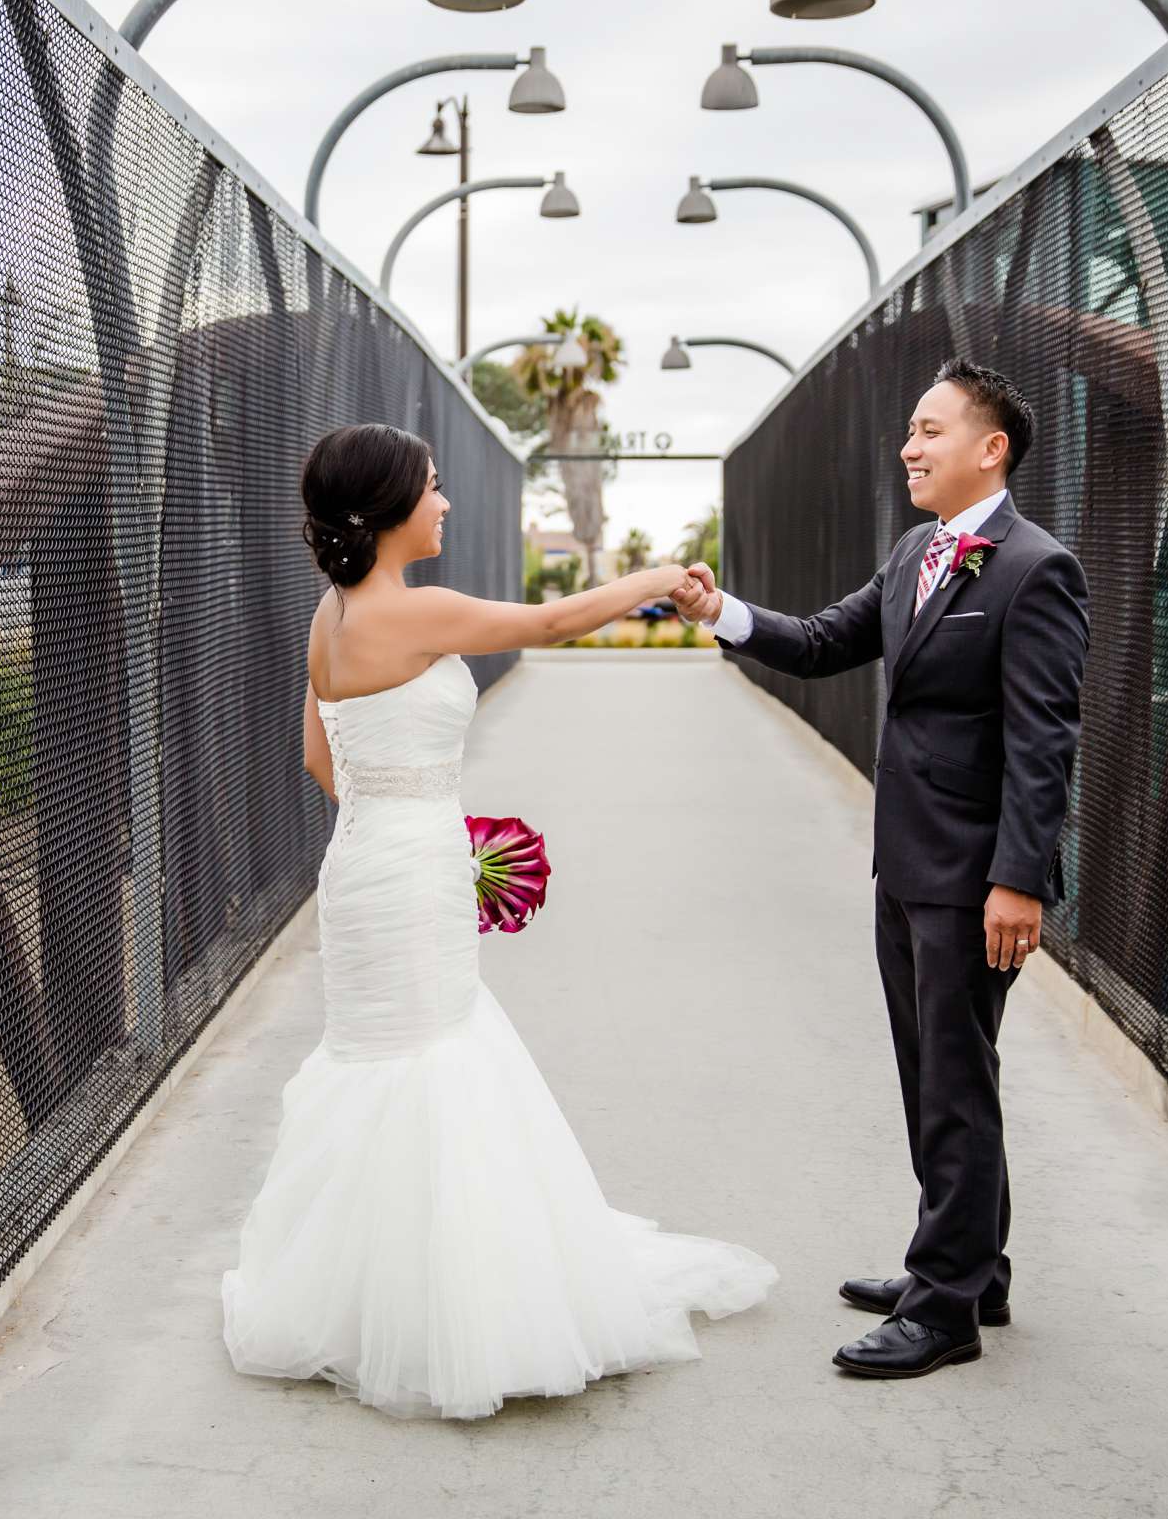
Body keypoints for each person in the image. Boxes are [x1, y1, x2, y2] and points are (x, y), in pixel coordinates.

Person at [220, 422, 775, 1419]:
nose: (444, 503)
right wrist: (653, 573)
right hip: (411, 864)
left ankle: (356, 1298)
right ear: (390, 509)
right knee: (435, 1055)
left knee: (378, 1057)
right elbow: (554, 624)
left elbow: (321, 763)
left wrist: (404, 819)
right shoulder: (417, 611)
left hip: (366, 867)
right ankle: (452, 1313)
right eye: (432, 489)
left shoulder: (331, 613)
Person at [672, 358, 1089, 1380]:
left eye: (930, 429)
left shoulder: (1037, 569)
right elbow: (820, 642)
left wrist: (1019, 878)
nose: (910, 445)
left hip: (974, 877)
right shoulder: (914, 554)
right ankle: (969, 1266)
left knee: (955, 1081)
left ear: (991, 448)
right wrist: (723, 611)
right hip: (902, 864)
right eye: (910, 428)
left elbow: (1044, 739)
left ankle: (944, 1308)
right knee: (932, 1074)